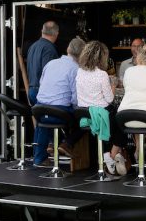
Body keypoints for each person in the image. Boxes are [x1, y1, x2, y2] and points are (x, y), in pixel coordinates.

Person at [32, 37, 86, 167]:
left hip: (39, 109)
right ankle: (66, 143)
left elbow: (41, 84)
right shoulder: (76, 69)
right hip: (59, 112)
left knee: (44, 122)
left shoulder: (51, 63)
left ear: (68, 49)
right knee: (86, 119)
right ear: (82, 55)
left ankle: (40, 157)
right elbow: (75, 99)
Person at [76, 41, 126, 176]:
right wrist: (114, 85)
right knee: (123, 122)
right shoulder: (101, 74)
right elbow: (109, 99)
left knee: (115, 119)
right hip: (100, 114)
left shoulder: (79, 71)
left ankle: (109, 155)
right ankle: (112, 154)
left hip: (84, 114)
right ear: (101, 57)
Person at [26, 21, 59, 105]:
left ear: (42, 31)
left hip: (31, 91)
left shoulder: (32, 47)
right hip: (42, 92)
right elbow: (48, 75)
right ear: (56, 34)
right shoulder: (49, 49)